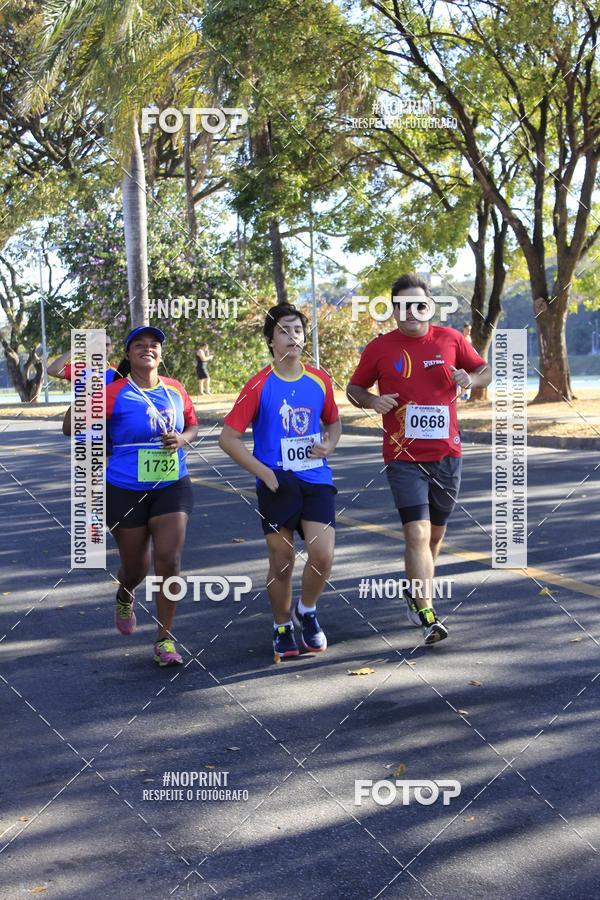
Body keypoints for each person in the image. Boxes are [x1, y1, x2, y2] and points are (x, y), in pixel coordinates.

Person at [346, 274, 491, 645]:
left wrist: (470, 381)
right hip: (402, 456)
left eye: (419, 304)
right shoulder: (379, 348)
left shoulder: (451, 339)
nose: (411, 311)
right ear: (394, 310)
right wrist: (371, 401)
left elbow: (484, 369)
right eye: (403, 305)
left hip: (447, 454)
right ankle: (428, 613)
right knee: (417, 532)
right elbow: (354, 388)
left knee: (435, 536)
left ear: (430, 306)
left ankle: (414, 591)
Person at [62, 326, 199, 666]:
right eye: (139, 345)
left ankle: (165, 639)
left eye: (154, 345)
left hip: (171, 484)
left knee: (169, 560)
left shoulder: (177, 390)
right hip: (124, 488)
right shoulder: (114, 391)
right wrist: (89, 392)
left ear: (161, 354)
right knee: (136, 567)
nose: (147, 349)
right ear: (128, 355)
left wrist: (182, 439)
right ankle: (125, 593)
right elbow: (70, 427)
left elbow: (193, 425)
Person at [219, 303, 341, 659]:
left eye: (298, 331)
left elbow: (333, 423)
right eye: (284, 331)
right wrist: (265, 473)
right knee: (282, 560)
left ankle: (307, 611)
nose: (292, 337)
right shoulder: (259, 384)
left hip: (315, 478)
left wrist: (329, 444)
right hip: (276, 481)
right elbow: (228, 438)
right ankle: (281, 625)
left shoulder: (320, 380)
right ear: (270, 341)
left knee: (322, 554)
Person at [49, 333, 118, 384]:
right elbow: (52, 370)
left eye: (107, 344)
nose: (103, 347)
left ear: (111, 348)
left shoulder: (117, 370)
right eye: (99, 344)